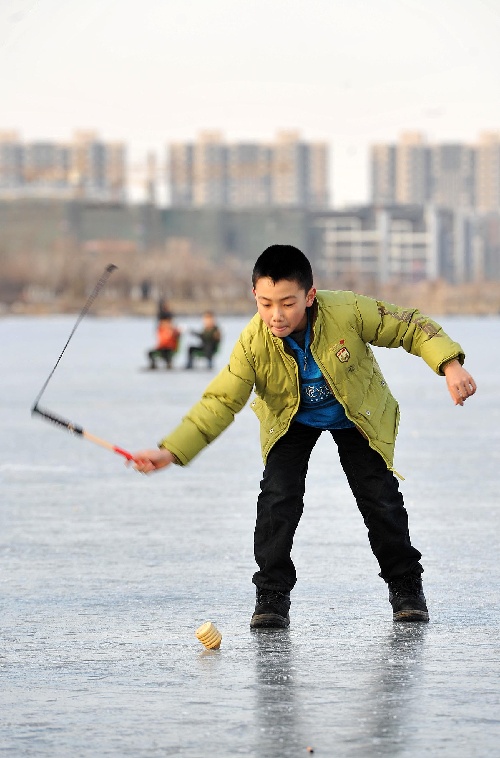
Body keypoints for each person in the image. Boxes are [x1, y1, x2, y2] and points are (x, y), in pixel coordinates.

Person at [132, 245, 476, 629]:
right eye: (265, 304)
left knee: (380, 499)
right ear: (255, 298)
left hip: (356, 414)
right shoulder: (253, 342)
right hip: (290, 418)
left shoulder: (346, 311)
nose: (276, 316)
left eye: (287, 303)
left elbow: (408, 325)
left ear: (310, 296)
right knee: (278, 500)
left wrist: (449, 365)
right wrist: (171, 451)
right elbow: (221, 400)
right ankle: (272, 596)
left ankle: (407, 588)